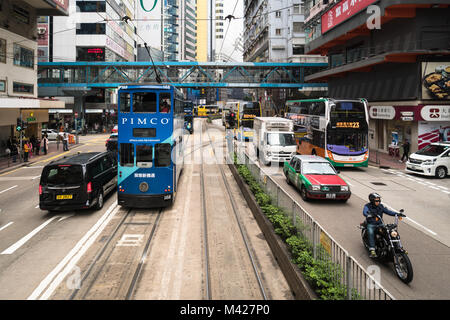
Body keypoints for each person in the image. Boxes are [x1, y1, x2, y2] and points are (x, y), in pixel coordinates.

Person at [363, 193, 405, 258]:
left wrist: (397, 214)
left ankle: (397, 247)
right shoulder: (367, 206)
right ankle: (372, 250)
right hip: (371, 224)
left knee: (389, 232)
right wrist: (368, 214)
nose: (378, 202)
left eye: (379, 200)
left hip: (380, 224)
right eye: (376, 200)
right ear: (372, 201)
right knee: (371, 233)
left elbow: (388, 211)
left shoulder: (381, 206)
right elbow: (365, 212)